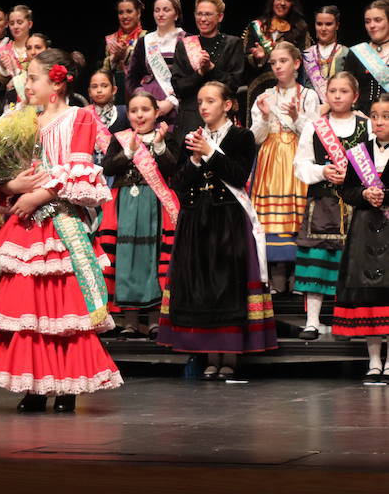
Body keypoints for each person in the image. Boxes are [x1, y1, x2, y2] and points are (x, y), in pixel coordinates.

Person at [0, 49, 122, 412]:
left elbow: (77, 171)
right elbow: (0, 176)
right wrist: (13, 190)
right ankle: (35, 384)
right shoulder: (21, 120)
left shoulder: (80, 117)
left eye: (34, 77)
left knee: (63, 307)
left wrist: (36, 195)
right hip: (25, 226)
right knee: (31, 308)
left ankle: (68, 386)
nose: (27, 84)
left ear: (55, 83)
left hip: (60, 223)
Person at [157, 82, 278, 379]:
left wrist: (210, 152)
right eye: (200, 102)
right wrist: (196, 159)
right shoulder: (193, 139)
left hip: (228, 220)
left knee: (227, 285)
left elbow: (238, 175)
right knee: (203, 290)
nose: (203, 107)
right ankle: (210, 355)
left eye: (210, 101)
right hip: (197, 221)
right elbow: (179, 184)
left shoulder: (242, 137)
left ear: (227, 105)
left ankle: (231, 358)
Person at [292, 72, 371, 340]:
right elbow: (300, 165)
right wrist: (323, 172)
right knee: (318, 259)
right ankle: (312, 321)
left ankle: (348, 320)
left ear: (355, 96)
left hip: (357, 206)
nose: (337, 96)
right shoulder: (315, 127)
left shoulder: (366, 126)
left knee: (352, 262)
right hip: (322, 204)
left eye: (344, 91)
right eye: (333, 91)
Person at [99, 91, 179, 340]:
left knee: (151, 258)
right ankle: (129, 320)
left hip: (154, 205)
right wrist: (129, 152)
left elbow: (173, 167)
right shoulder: (120, 139)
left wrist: (159, 146)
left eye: (145, 109)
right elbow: (109, 167)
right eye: (134, 110)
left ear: (157, 113)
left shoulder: (165, 138)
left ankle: (155, 319)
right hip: (125, 206)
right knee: (126, 259)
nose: (139, 115)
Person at [249, 42, 320, 296]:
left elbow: (314, 135)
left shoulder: (309, 96)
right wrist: (266, 117)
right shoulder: (264, 97)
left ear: (297, 64)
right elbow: (255, 138)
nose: (278, 66)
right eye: (274, 63)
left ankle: (298, 274)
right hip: (271, 159)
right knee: (272, 219)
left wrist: (295, 117)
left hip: (298, 159)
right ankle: (277, 275)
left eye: (283, 61)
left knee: (297, 214)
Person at [334, 91, 389, 382]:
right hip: (365, 230)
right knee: (369, 295)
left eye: (386, 116)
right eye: (376, 116)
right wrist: (365, 193)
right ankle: (374, 360)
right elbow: (348, 191)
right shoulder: (360, 152)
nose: (379, 122)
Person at [171, 0, 244, 140]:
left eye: (208, 14)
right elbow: (178, 87)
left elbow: (234, 84)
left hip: (221, 119)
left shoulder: (233, 43)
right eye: (199, 14)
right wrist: (199, 73)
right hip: (190, 117)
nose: (203, 19)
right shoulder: (184, 44)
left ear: (220, 17)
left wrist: (211, 68)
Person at [241, 0, 313, 124]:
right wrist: (257, 58)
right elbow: (242, 58)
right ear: (272, 0)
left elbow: (305, 60)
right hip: (259, 88)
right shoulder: (255, 27)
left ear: (293, 3)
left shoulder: (300, 29)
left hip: (290, 89)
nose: (282, 3)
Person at [126, 0, 185, 126]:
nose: (160, 14)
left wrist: (172, 102)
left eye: (166, 10)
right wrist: (143, 99)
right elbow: (132, 77)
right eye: (157, 10)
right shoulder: (145, 41)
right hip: (147, 108)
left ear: (176, 14)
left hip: (178, 105)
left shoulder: (188, 40)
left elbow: (192, 78)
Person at [344, 0, 389, 117]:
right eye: (367, 21)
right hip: (361, 117)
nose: (372, 25)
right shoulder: (357, 52)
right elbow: (346, 88)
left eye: (378, 20)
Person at [103, 0, 147, 102]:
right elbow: (103, 72)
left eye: (129, 11)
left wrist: (126, 55)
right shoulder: (110, 40)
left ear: (138, 13)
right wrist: (113, 59)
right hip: (115, 94)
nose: (125, 16)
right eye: (121, 12)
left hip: (140, 91)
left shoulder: (147, 37)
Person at [301, 6, 349, 104]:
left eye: (328, 24)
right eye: (319, 24)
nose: (323, 28)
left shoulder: (346, 53)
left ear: (337, 26)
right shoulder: (307, 55)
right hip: (311, 110)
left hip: (340, 108)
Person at [88, 69, 129, 170]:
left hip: (117, 168)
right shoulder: (84, 115)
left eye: (104, 86)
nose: (99, 90)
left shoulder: (124, 113)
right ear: (89, 92)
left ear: (114, 90)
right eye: (94, 86)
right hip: (91, 169)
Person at [0, 5, 33, 108]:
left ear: (29, 24)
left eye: (20, 22)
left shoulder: (36, 48)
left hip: (35, 99)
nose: (15, 26)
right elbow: (0, 84)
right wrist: (3, 69)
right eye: (12, 23)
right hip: (11, 104)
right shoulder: (3, 50)